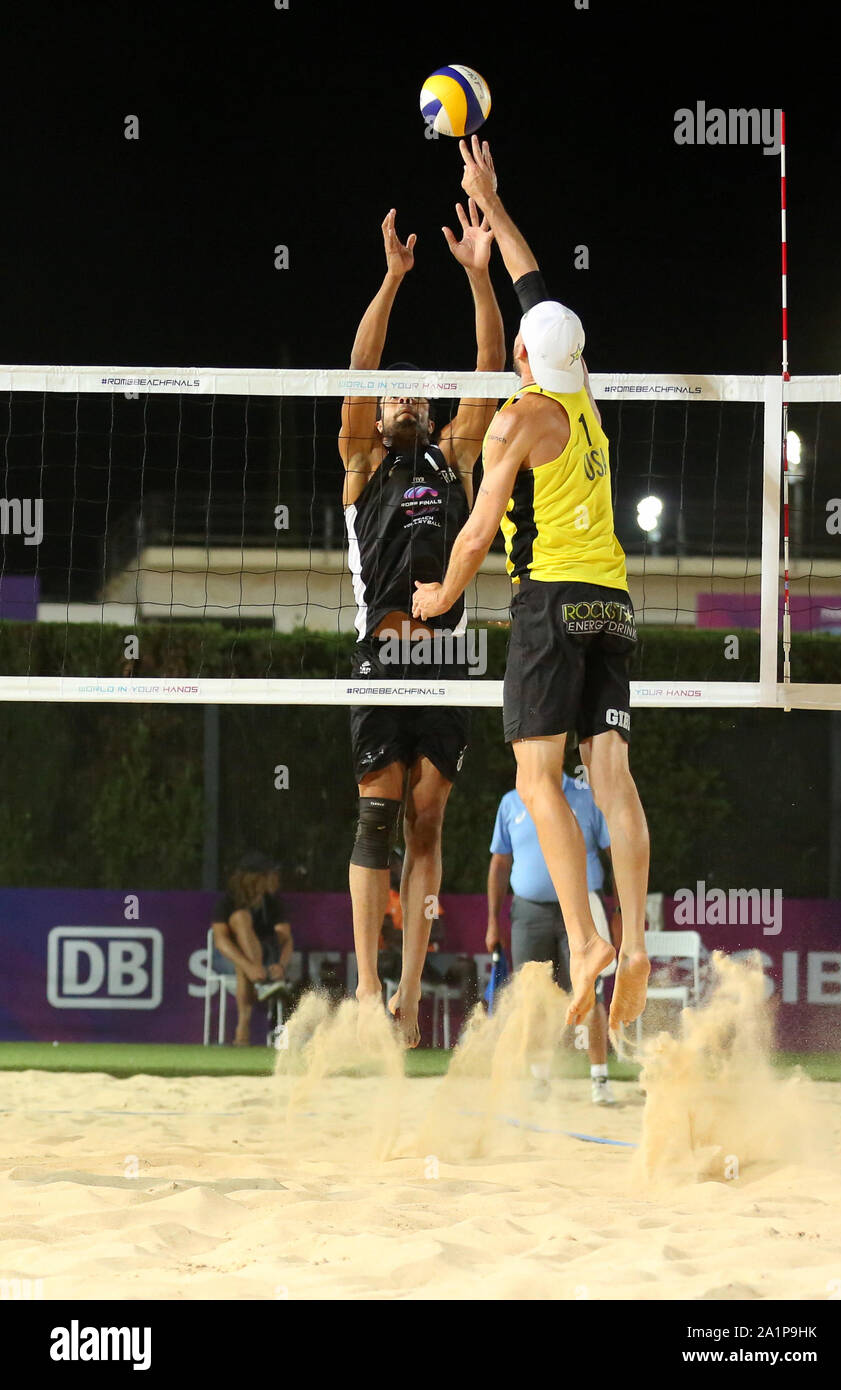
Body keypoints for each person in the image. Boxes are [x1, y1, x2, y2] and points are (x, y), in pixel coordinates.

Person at [413, 136, 650, 1038]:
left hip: (550, 604)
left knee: (533, 774)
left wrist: (439, 597)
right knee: (612, 778)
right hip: (614, 605)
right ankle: (632, 939)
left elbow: (476, 533)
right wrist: (493, 204)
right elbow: (538, 289)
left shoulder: (519, 420)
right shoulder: (579, 390)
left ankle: (586, 940)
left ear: (518, 352)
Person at [339, 192, 505, 1046]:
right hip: (378, 653)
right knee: (377, 812)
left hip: (448, 659)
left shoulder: (452, 458)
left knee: (428, 818)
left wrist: (479, 276)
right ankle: (368, 992)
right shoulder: (364, 461)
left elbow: (489, 363)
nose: (400, 402)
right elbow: (359, 374)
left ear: (434, 416)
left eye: (415, 398)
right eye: (392, 399)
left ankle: (407, 1002)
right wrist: (393, 277)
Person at [487, 764, 619, 1104]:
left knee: (590, 991)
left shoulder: (585, 795)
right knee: (534, 998)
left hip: (581, 906)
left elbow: (612, 851)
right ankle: (540, 1079)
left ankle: (599, 1079)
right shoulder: (512, 802)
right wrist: (492, 920)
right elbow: (500, 863)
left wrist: (619, 910)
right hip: (530, 910)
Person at [211, 852, 294, 1046]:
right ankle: (244, 1023)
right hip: (229, 960)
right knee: (241, 918)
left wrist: (281, 965)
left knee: (248, 966)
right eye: (270, 874)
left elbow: (286, 939)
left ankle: (242, 1033)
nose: (275, 879)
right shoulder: (228, 902)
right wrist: (250, 967)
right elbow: (221, 942)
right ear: (254, 878)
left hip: (265, 961)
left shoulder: (273, 904)